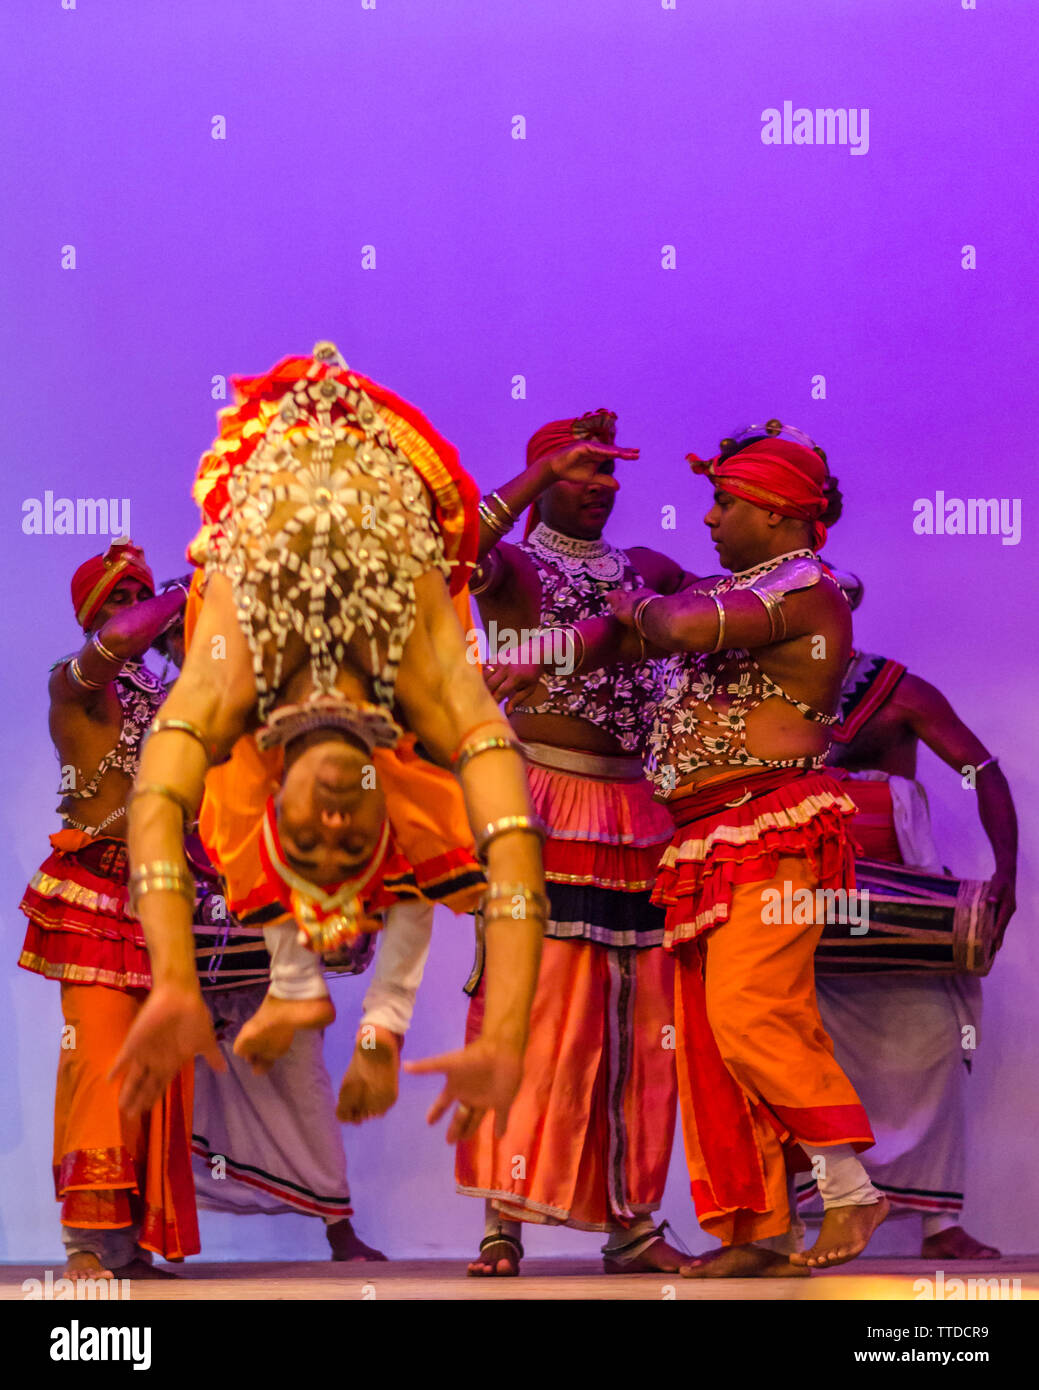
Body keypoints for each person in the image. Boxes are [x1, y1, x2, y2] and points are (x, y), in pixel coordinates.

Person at [111, 343, 544, 1151]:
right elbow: (517, 867)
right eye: (353, 845)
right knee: (443, 823)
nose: (335, 827)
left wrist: (175, 980)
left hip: (266, 446)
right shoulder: (439, 692)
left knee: (216, 793)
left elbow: (155, 800)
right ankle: (319, 995)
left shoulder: (227, 679)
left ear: (285, 799)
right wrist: (505, 1036)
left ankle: (300, 988)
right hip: (404, 471)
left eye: (307, 839)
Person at [521, 422, 890, 1274]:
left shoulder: (807, 590)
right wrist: (547, 650)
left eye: (724, 502)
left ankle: (849, 1191)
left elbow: (674, 627)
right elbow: (646, 628)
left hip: (773, 823)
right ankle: (755, 1229)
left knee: (753, 1013)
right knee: (707, 1041)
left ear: (773, 509)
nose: (710, 520)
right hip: (701, 839)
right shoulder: (743, 590)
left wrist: (630, 602)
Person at [456, 411, 689, 1276]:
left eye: (609, 474)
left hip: (639, 811)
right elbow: (445, 555)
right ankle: (501, 1222)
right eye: (580, 470)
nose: (602, 485)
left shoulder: (647, 571)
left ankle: (632, 1224)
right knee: (531, 1006)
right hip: (542, 800)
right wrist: (528, 476)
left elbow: (732, 611)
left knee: (641, 1024)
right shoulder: (511, 565)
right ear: (544, 475)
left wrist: (826, 576)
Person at [796, 578, 1017, 1259]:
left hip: (902, 908)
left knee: (932, 1048)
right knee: (800, 1056)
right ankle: (801, 1219)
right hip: (801, 907)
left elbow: (981, 769)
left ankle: (937, 1226)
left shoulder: (897, 691)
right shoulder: (762, 693)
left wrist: (1002, 874)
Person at [18, 541, 198, 1280]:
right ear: (95, 613)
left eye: (144, 596)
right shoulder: (75, 683)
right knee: (99, 1065)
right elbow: (121, 641)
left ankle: (131, 1244)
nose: (137, 612)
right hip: (91, 895)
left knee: (158, 1077)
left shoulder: (174, 699)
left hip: (163, 905)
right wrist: (187, 591)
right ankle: (86, 1245)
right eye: (122, 598)